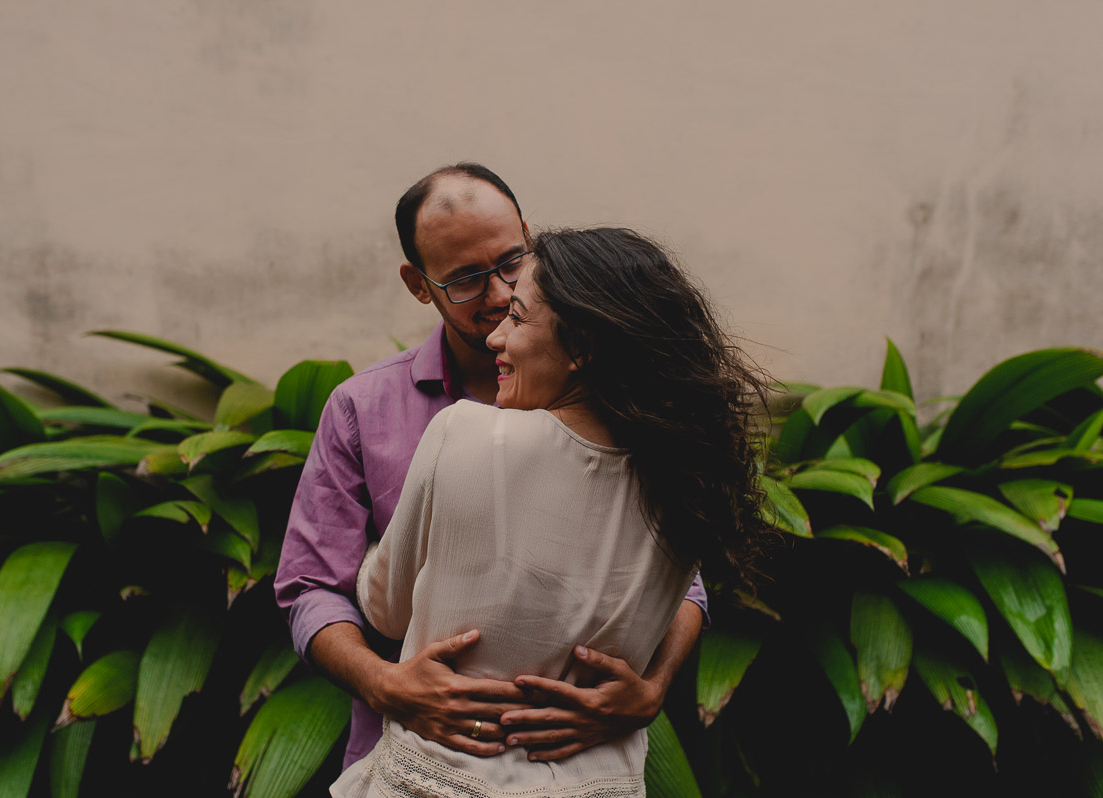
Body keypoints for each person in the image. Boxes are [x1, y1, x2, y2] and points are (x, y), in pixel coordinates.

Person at [273, 164, 709, 769]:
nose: (501, 294)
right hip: (418, 761)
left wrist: (654, 687)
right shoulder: (362, 409)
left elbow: (679, 571)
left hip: (578, 764)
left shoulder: (621, 399)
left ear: (530, 240)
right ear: (419, 284)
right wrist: (382, 682)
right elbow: (310, 585)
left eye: (511, 262)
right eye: (466, 280)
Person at [332, 227, 767, 797]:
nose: (496, 339)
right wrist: (653, 686)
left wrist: (378, 561)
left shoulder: (464, 431)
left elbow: (386, 611)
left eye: (516, 315)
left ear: (581, 347)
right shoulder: (692, 482)